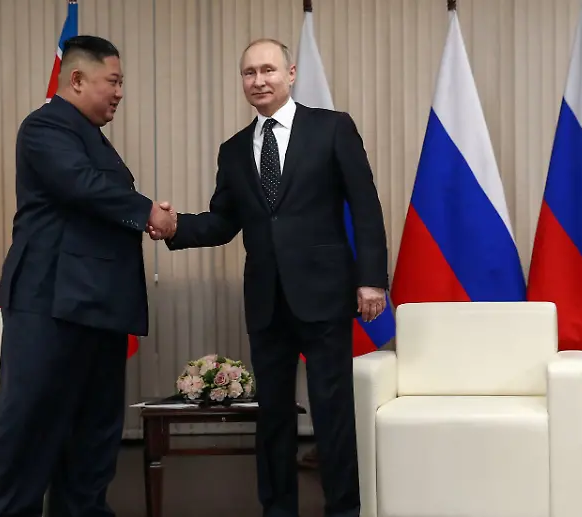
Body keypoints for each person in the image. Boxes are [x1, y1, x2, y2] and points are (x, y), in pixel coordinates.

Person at [150, 38, 389, 517]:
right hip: (266, 300)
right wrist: (176, 227)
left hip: (324, 294)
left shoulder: (332, 128)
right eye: (249, 73)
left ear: (291, 74)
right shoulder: (234, 149)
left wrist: (371, 279)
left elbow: (365, 206)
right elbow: (223, 221)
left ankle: (344, 510)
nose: (258, 81)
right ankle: (277, 509)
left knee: (332, 413)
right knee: (273, 416)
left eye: (268, 70)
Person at [0, 35, 175, 517]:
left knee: (92, 439)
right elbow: (81, 186)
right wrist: (148, 211)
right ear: (78, 80)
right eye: (113, 81)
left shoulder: (88, 135)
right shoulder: (45, 127)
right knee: (29, 431)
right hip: (50, 303)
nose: (120, 92)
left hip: (97, 308)